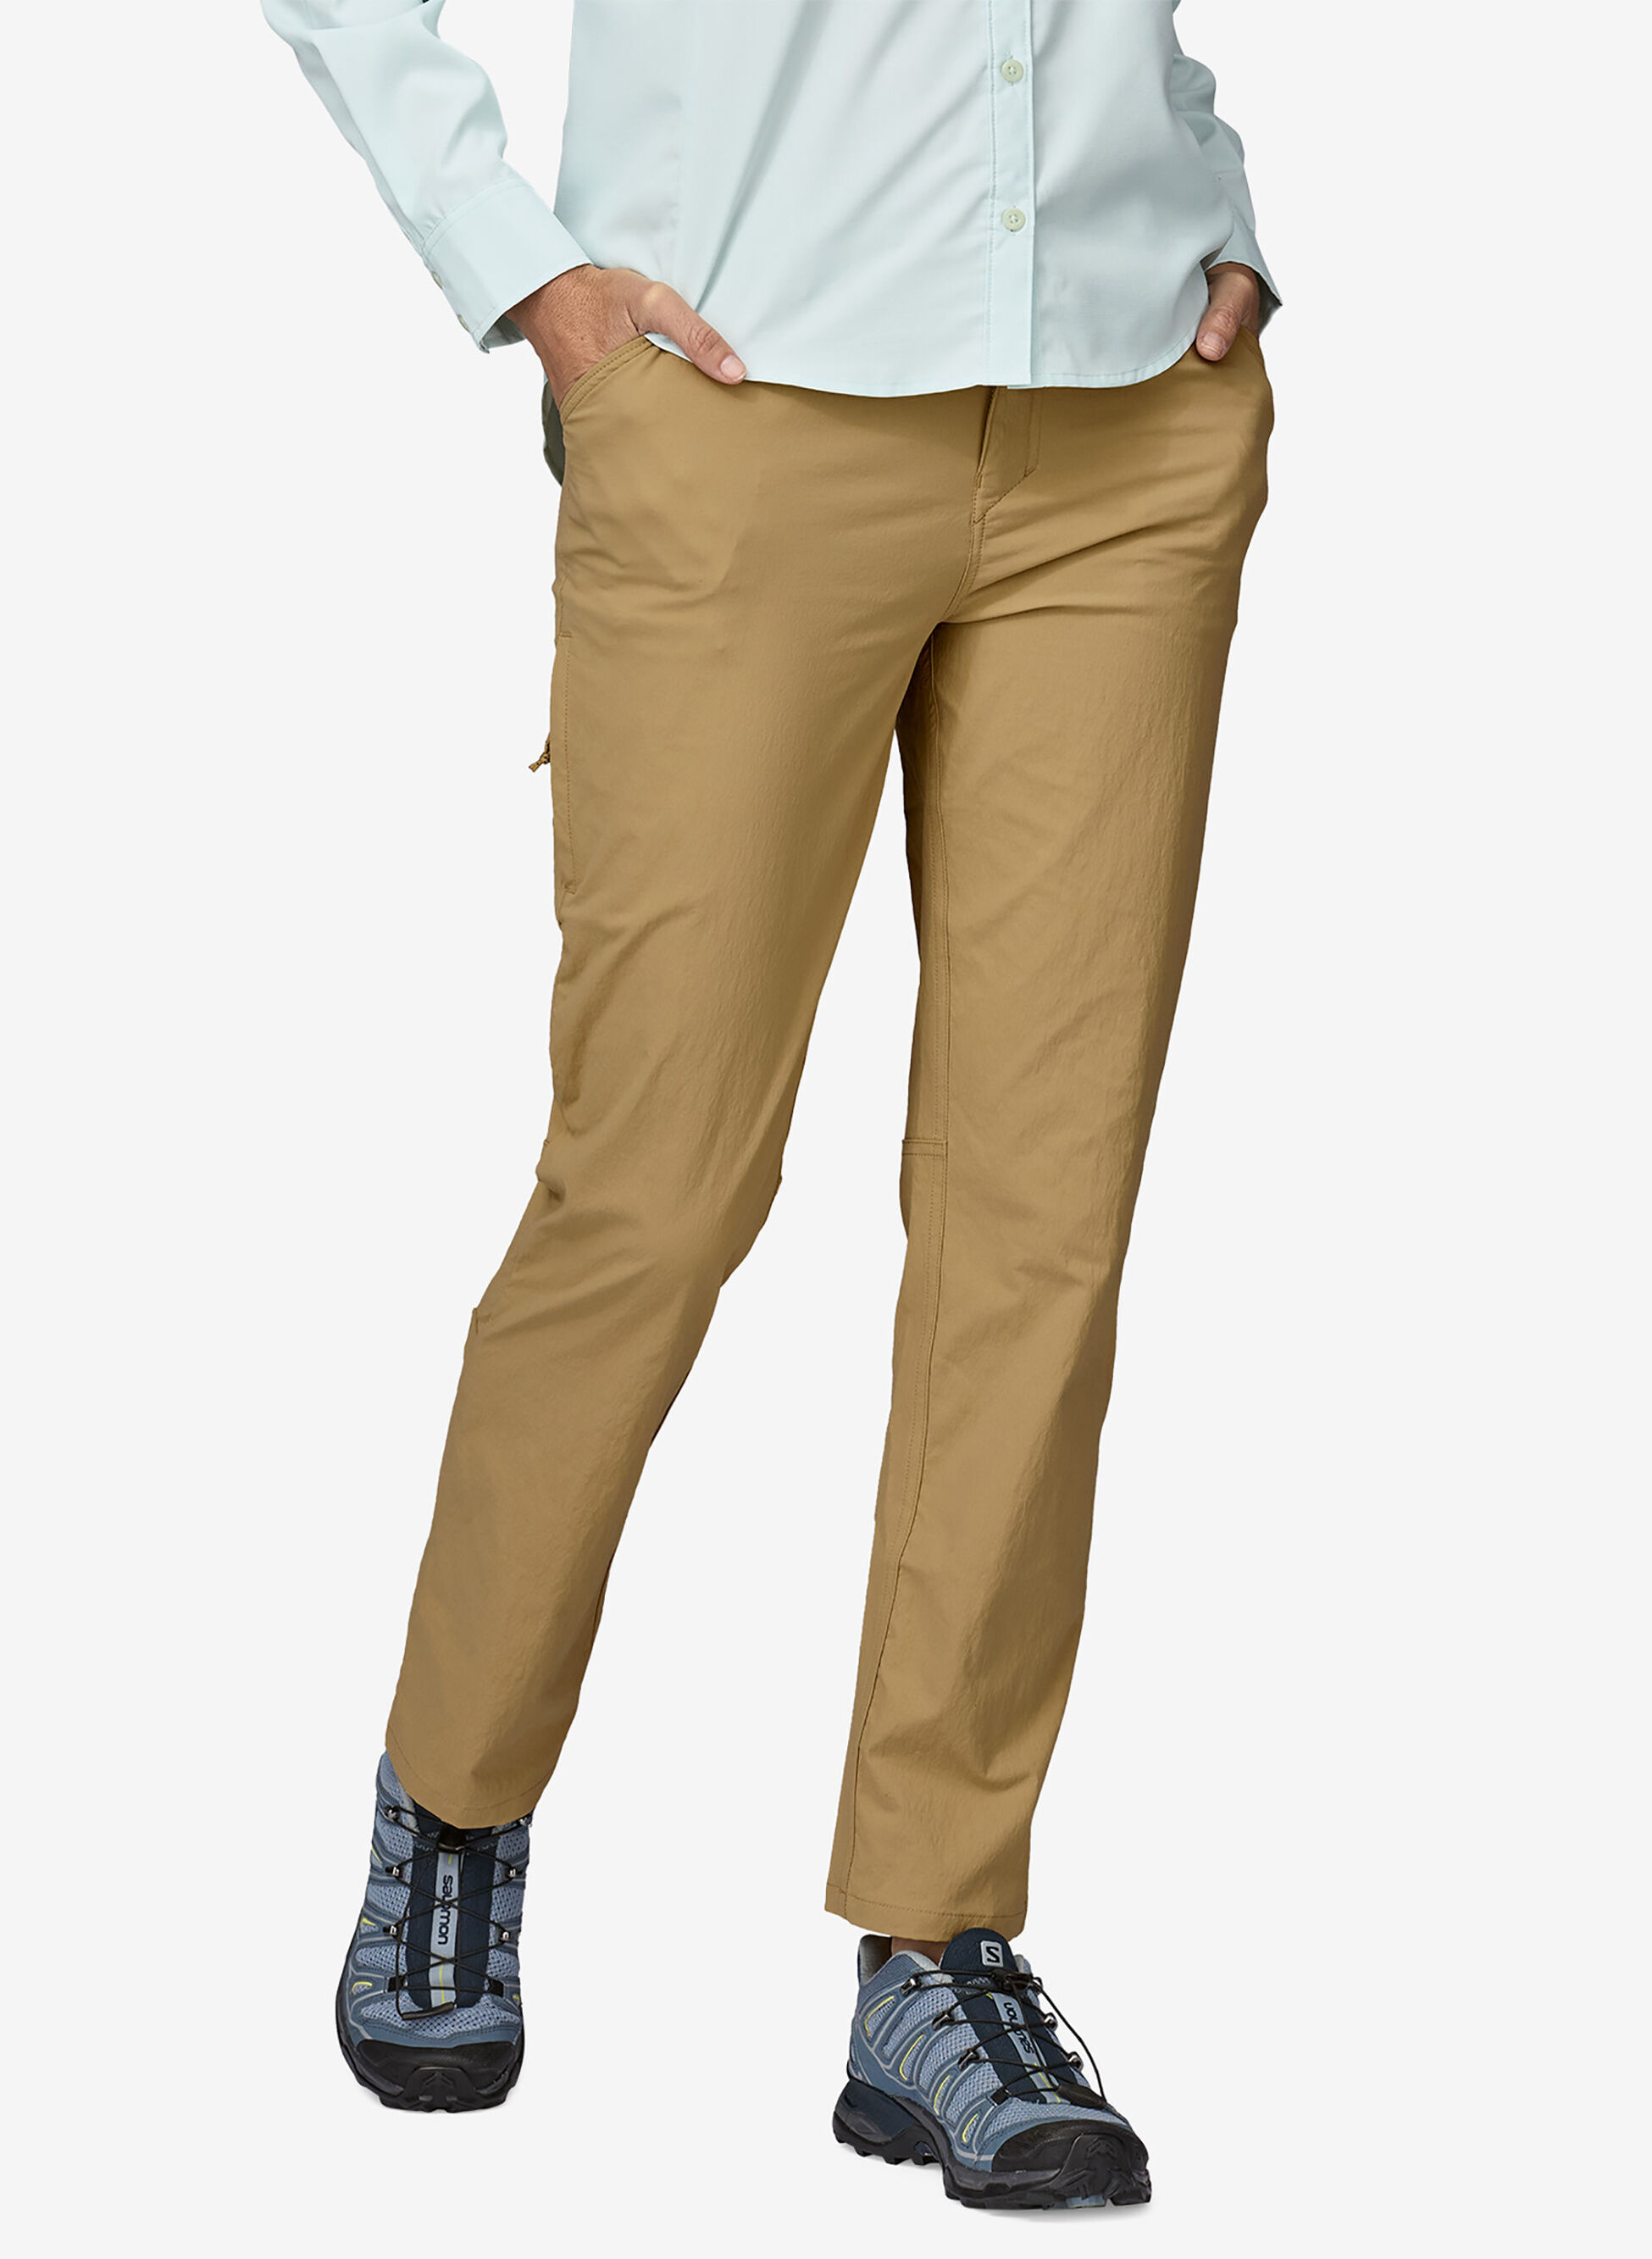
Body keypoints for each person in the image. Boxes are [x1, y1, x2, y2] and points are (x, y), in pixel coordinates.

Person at [264, 0, 1277, 2209]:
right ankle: (455, 1797)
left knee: (1043, 1219)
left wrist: (1209, 193)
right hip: (741, 401)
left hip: (1129, 413)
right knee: (656, 1188)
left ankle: (936, 1935)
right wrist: (517, 261)